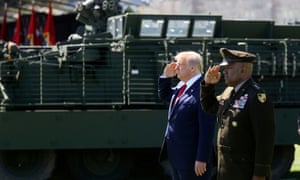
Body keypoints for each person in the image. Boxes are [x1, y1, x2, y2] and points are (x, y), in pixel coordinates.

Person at [200, 48, 275, 180]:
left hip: (245, 171)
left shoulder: (256, 96)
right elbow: (210, 107)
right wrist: (208, 86)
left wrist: (260, 174)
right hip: (227, 169)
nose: (224, 72)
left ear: (243, 70)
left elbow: (264, 139)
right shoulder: (229, 92)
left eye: (229, 68)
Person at [158, 51, 216, 180]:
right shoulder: (182, 86)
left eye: (180, 65)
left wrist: (201, 158)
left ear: (192, 68)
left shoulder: (202, 91)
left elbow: (206, 130)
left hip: (192, 160)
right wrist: (165, 77)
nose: (176, 68)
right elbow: (165, 95)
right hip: (177, 157)